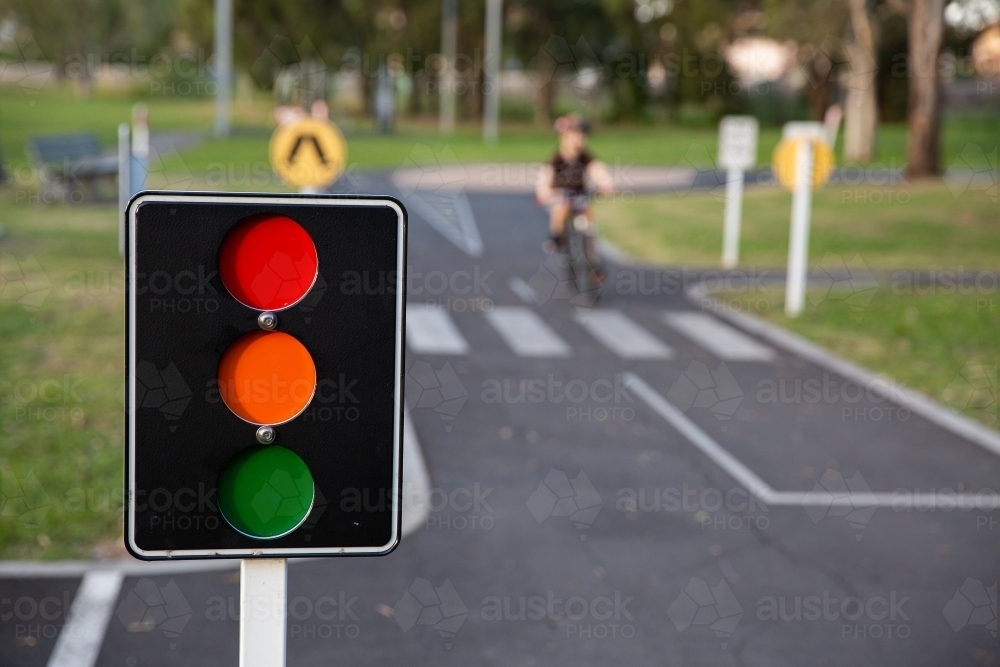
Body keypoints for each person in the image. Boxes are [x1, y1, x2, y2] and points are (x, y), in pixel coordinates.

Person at [535, 113, 614, 285]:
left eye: (581, 136)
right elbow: (545, 178)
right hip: (561, 197)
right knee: (560, 209)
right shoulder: (556, 161)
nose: (578, 140)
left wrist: (606, 185)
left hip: (580, 198)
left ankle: (593, 265)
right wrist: (545, 192)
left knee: (589, 225)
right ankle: (556, 236)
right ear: (564, 138)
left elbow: (598, 170)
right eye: (574, 136)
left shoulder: (586, 159)